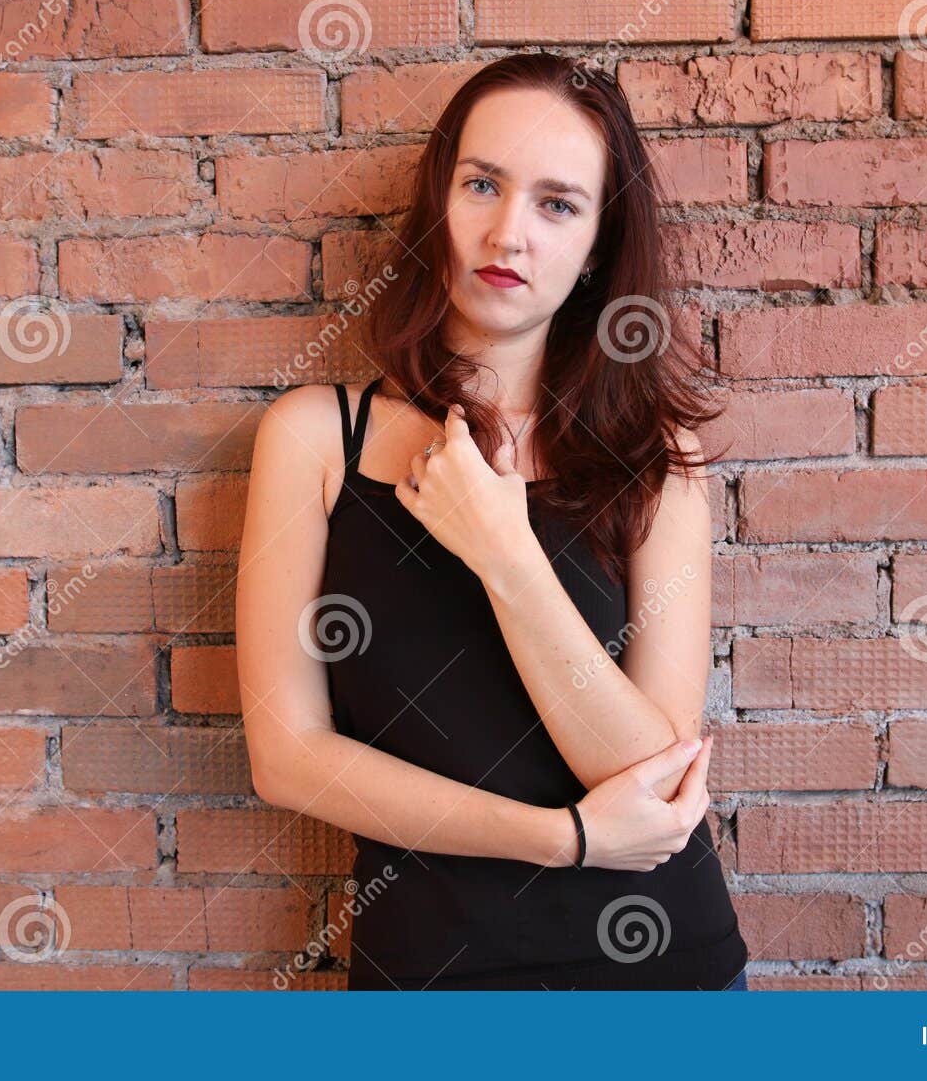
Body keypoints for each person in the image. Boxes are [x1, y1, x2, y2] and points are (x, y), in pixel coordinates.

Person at [236, 52, 750, 990]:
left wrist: (505, 549)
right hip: (433, 976)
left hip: (664, 968)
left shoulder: (656, 459)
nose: (508, 231)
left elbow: (657, 770)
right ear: (442, 200)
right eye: (483, 184)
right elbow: (288, 756)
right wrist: (563, 838)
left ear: (597, 244)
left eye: (557, 204)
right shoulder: (317, 438)